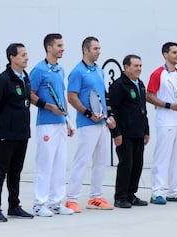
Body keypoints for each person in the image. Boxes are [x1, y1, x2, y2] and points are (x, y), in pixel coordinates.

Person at [65, 36, 116, 213]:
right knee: (82, 160)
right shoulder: (77, 72)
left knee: (101, 161)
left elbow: (101, 96)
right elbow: (71, 97)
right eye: (95, 48)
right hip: (86, 124)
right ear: (85, 50)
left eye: (99, 48)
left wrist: (108, 117)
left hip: (102, 123)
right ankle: (71, 199)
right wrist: (88, 113)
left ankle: (95, 197)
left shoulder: (99, 71)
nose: (98, 51)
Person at [0, 43, 34, 222]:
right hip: (6, 133)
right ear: (12, 58)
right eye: (22, 55)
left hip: (22, 133)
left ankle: (14, 206)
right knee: (1, 170)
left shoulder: (25, 78)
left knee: (16, 171)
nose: (26, 57)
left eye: (26, 54)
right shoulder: (3, 81)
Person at [29, 34, 74, 216]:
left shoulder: (60, 70)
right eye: (59, 45)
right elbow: (29, 94)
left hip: (61, 124)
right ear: (49, 47)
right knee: (45, 164)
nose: (63, 48)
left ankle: (55, 202)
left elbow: (62, 97)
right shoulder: (38, 70)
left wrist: (68, 120)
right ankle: (39, 204)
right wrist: (49, 107)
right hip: (46, 125)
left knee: (60, 164)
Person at [146, 42, 177, 205]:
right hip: (165, 122)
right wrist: (168, 106)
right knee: (162, 157)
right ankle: (156, 192)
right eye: (174, 52)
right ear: (165, 54)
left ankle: (174, 192)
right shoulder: (158, 73)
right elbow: (149, 95)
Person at [109, 55, 150, 208]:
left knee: (137, 164)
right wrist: (116, 133)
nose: (139, 69)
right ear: (126, 67)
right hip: (124, 134)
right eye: (135, 66)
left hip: (139, 132)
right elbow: (113, 111)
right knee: (126, 164)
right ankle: (120, 197)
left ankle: (131, 194)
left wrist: (146, 130)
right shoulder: (119, 85)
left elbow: (143, 110)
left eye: (140, 65)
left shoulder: (140, 84)